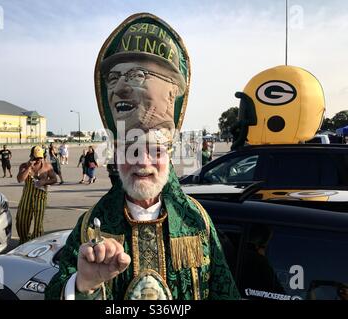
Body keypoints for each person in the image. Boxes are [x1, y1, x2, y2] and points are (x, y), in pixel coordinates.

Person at [45, 13, 239, 300]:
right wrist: (82, 285)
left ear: (170, 156)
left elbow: (225, 294)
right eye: (130, 149)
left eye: (155, 150)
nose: (142, 162)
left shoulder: (197, 221)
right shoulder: (92, 226)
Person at [16, 146, 57, 244]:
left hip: (40, 197)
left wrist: (44, 182)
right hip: (27, 197)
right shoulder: (24, 166)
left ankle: (36, 243)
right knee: (21, 221)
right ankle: (23, 240)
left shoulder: (47, 166)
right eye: (36, 158)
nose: (38, 160)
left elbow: (54, 179)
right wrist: (29, 167)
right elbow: (20, 179)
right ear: (31, 156)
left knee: (38, 224)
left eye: (40, 157)